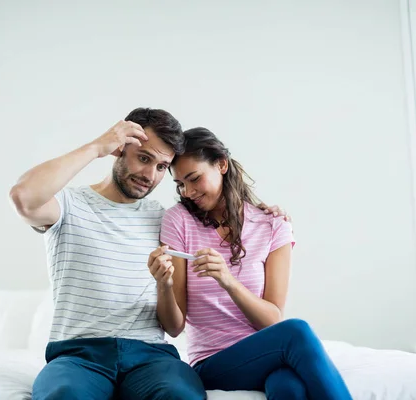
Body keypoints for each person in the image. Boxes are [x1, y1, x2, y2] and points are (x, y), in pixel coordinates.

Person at [9, 108, 286, 400]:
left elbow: (224, 213)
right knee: (64, 396)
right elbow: (23, 197)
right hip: (79, 355)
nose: (149, 175)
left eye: (161, 167)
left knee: (181, 396)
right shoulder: (68, 205)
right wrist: (96, 147)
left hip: (151, 356)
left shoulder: (166, 220)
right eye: (144, 158)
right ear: (119, 149)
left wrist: (265, 212)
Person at [148, 127, 353, 400]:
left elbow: (271, 321)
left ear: (221, 164)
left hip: (267, 353)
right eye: (180, 184)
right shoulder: (179, 221)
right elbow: (175, 327)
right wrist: (164, 284)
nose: (188, 192)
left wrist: (227, 280)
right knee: (297, 331)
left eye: (194, 179)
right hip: (213, 361)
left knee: (288, 387)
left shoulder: (272, 225)